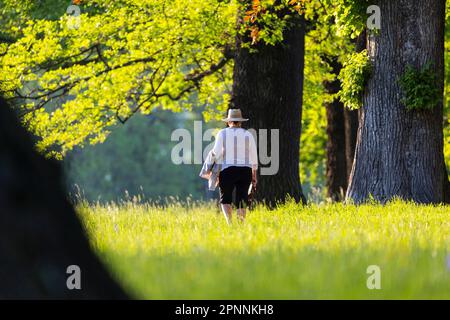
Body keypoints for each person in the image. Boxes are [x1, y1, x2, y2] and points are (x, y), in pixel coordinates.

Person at [211, 109, 258, 224]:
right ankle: (240, 224)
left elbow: (216, 152)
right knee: (242, 198)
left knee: (225, 199)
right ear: (240, 122)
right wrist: (254, 175)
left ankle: (230, 224)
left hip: (228, 170)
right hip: (245, 170)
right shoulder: (248, 134)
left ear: (228, 121)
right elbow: (254, 157)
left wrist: (211, 166)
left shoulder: (222, 133)